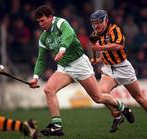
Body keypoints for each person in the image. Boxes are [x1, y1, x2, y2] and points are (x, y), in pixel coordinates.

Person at [29, 5, 135, 137]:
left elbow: (69, 35)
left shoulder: (61, 23)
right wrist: (35, 77)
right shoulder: (44, 37)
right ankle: (57, 126)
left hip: (79, 63)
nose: (41, 24)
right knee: (48, 90)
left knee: (98, 98)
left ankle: (122, 107)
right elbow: (40, 59)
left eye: (43, 20)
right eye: (39, 22)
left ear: (50, 17)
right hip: (64, 67)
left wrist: (62, 50)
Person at [89, 10, 147, 136]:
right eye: (94, 23)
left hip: (123, 67)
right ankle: (117, 115)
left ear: (106, 20)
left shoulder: (114, 29)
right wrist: (98, 60)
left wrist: (100, 48)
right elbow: (104, 52)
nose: (96, 26)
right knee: (101, 94)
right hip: (108, 68)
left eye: (99, 22)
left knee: (139, 97)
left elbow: (119, 46)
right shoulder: (95, 34)